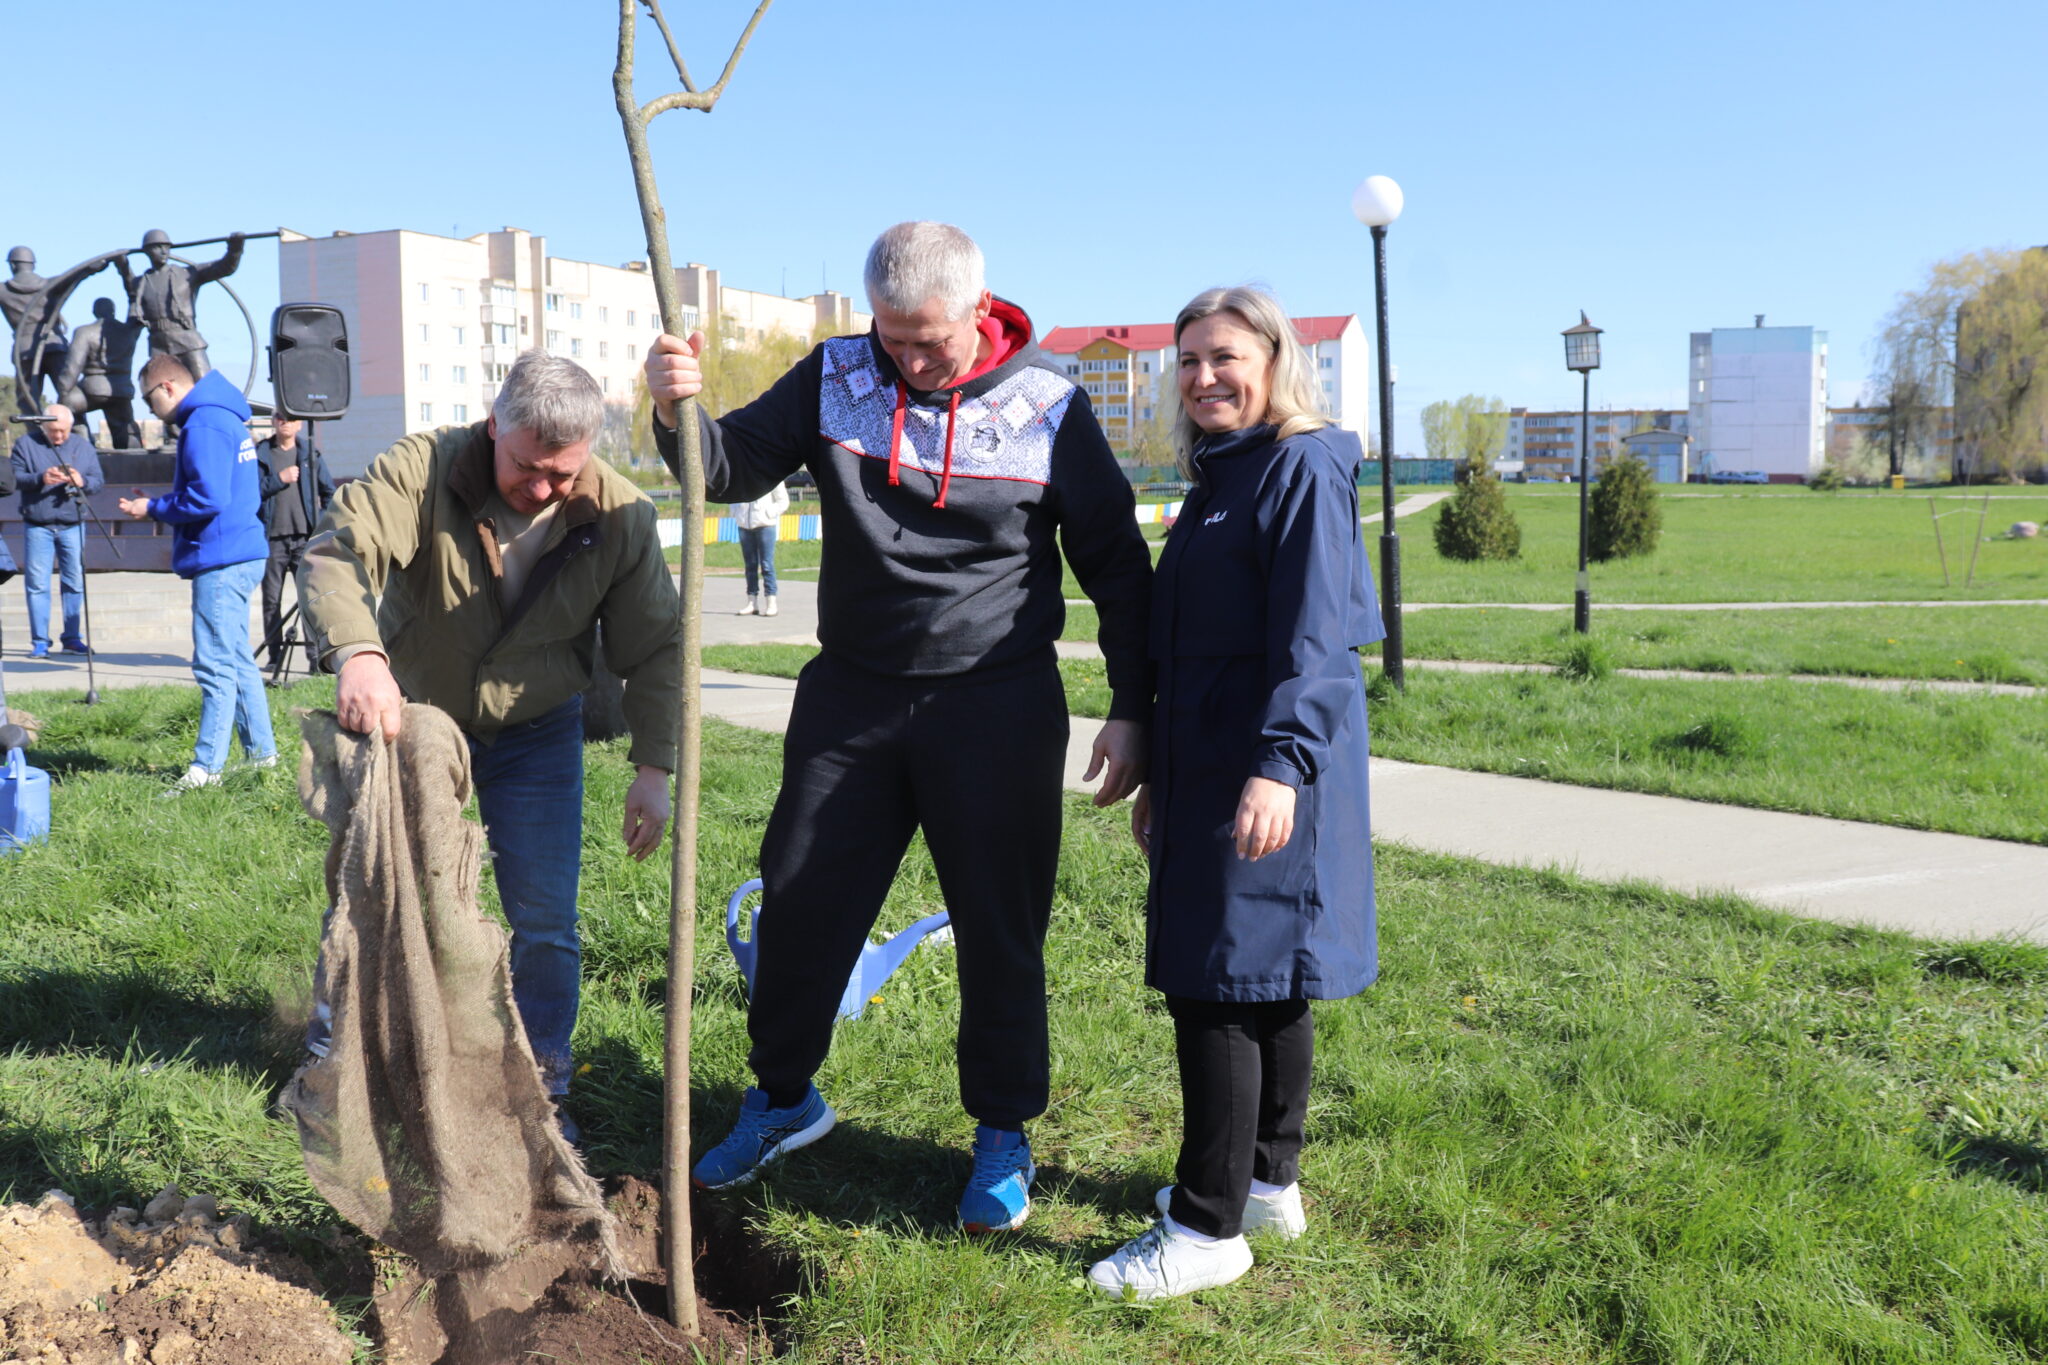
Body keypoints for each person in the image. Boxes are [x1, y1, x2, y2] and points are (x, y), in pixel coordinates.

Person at [643, 221, 1152, 1231]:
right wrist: (674, 410)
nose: (908, 362)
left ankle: (1002, 1133)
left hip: (996, 704)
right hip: (852, 696)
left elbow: (1114, 563)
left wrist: (1134, 706)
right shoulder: (836, 374)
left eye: (928, 341)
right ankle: (785, 1098)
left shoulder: (1048, 401)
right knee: (798, 899)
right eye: (891, 338)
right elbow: (729, 466)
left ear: (978, 308)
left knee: (999, 927)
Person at [296, 350, 682, 1138]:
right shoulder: (424, 466)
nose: (544, 489)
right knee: (371, 894)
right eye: (527, 468)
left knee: (545, 921)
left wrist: (654, 768)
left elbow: (656, 648)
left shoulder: (622, 516)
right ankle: (336, 1063)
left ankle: (543, 1085)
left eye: (563, 474)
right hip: (417, 724)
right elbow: (338, 551)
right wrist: (359, 654)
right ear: (494, 421)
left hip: (539, 736)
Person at [1086, 287, 1384, 1301]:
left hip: (1265, 762)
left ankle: (1204, 1228)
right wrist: (1163, 769)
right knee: (1262, 982)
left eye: (1223, 355)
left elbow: (1316, 636)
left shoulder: (1296, 465)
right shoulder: (1225, 473)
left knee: (1215, 985)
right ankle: (1264, 1182)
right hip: (1215, 758)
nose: (1203, 375)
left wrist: (1280, 763)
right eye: (1186, 360)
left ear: (1271, 357)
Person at [118, 357, 277, 790]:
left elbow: (207, 498)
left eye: (148, 397)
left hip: (220, 559)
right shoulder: (223, 415)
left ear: (167, 387)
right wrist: (163, 499)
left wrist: (151, 508)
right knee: (238, 661)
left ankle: (206, 769)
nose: (147, 408)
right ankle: (262, 757)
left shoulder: (202, 424)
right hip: (240, 550)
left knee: (214, 665)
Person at [10, 405, 104, 657]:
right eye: (53, 431)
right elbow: (13, 478)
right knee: (38, 584)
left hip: (73, 525)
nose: (59, 436)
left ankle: (72, 639)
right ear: (43, 425)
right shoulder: (25, 444)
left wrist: (81, 481)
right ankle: (40, 641)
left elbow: (98, 481)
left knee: (74, 583)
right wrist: (41, 478)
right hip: (38, 525)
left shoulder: (83, 447)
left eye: (63, 431)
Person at [254, 417, 335, 675]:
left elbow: (329, 492)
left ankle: (315, 661)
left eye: (291, 419)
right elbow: (250, 492)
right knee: (271, 601)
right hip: (272, 540)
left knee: (309, 600)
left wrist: (320, 526)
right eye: (280, 418)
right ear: (273, 422)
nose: (285, 423)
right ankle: (274, 657)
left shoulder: (309, 454)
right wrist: (279, 479)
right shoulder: (262, 454)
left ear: (299, 424)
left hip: (304, 540)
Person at [134, 230, 243, 381]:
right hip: (158, 345)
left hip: (187, 340)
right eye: (158, 247)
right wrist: (122, 264)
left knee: (205, 383)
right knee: (160, 392)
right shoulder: (140, 283)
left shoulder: (188, 274)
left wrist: (235, 249)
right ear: (146, 251)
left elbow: (225, 267)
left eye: (166, 246)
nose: (164, 251)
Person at [57, 288, 147, 450]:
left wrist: (63, 393)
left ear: (94, 312)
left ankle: (84, 446)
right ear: (113, 311)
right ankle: (133, 456)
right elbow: (137, 312)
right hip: (121, 391)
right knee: (124, 427)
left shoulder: (84, 332)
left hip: (93, 390)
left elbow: (72, 367)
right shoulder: (128, 331)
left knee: (67, 404)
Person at [731, 479, 789, 616]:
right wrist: (736, 513)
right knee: (750, 566)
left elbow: (783, 501)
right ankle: (752, 602)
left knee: (767, 565)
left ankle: (771, 602)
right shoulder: (741, 474)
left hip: (766, 525)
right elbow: (733, 496)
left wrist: (769, 513)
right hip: (744, 525)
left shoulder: (772, 475)